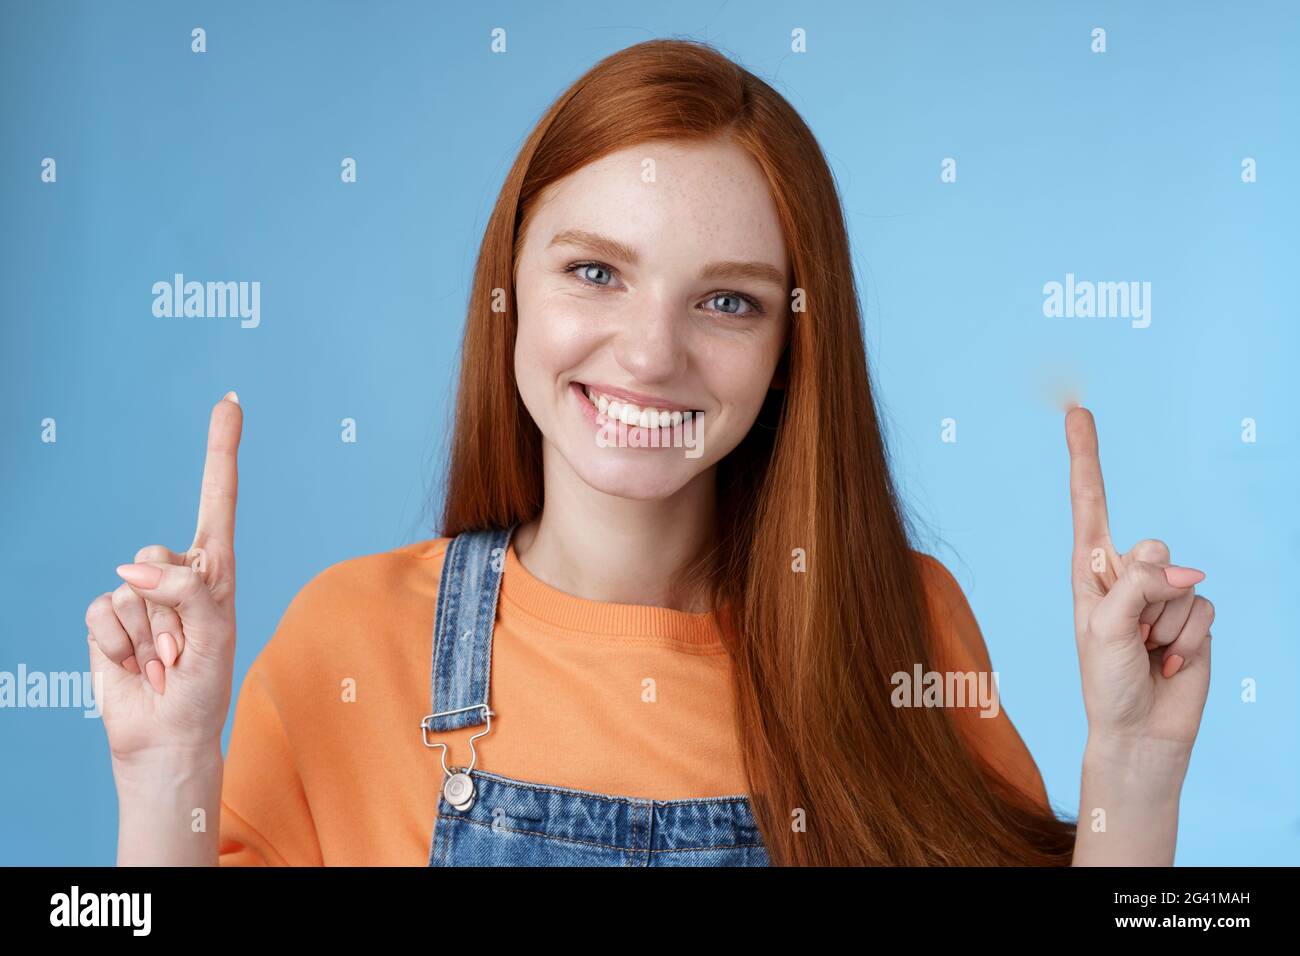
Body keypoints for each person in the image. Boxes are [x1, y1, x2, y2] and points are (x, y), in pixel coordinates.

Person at [88, 39, 1213, 867]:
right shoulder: (349, 638)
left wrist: (1133, 768)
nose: (649, 352)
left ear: (788, 349)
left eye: (727, 300)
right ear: (508, 289)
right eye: (595, 272)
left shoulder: (895, 624)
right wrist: (165, 777)